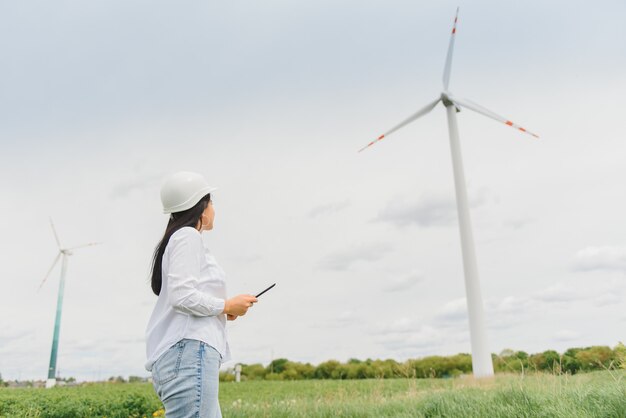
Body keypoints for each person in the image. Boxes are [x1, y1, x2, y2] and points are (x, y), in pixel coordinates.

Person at [145, 171, 257, 417]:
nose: (214, 209)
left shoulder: (178, 239)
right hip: (189, 352)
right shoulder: (187, 236)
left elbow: (184, 299)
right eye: (212, 202)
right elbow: (182, 296)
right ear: (201, 207)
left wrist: (222, 311)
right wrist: (226, 305)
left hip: (184, 354)